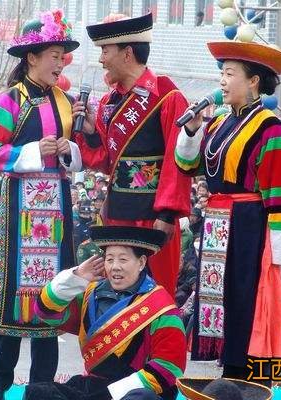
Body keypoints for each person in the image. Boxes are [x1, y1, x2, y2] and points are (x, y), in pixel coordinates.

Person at [174, 41, 281, 379]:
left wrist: (278, 254)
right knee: (219, 297)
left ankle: (243, 375)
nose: (222, 82)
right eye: (222, 74)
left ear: (254, 81)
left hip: (249, 225)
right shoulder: (216, 124)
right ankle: (226, 367)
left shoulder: (272, 128)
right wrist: (192, 129)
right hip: (216, 223)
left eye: (230, 74)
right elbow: (187, 165)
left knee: (245, 297)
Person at [0, 10, 81, 400]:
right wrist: (34, 151)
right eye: (54, 55)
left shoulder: (65, 101)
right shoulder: (8, 100)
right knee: (11, 291)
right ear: (31, 57)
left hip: (55, 206)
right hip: (19, 204)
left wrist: (68, 149)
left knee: (53, 289)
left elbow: (79, 153)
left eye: (62, 55)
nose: (60, 62)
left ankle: (41, 384)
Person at [73, 13, 192, 297]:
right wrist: (90, 132)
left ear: (127, 53)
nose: (101, 59)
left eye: (105, 51)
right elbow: (105, 161)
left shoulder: (167, 96)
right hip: (116, 215)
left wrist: (166, 214)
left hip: (153, 218)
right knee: (116, 294)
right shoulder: (108, 101)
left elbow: (178, 163)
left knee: (153, 296)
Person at [24, 226, 186, 400]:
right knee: (38, 393)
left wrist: (111, 394)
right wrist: (76, 277)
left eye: (123, 260)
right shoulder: (90, 294)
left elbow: (168, 368)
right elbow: (45, 311)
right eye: (109, 259)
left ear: (141, 262)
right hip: (94, 386)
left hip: (135, 390)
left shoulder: (161, 307)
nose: (115, 267)